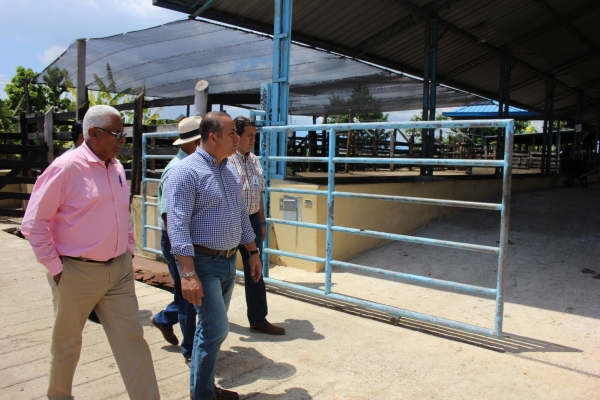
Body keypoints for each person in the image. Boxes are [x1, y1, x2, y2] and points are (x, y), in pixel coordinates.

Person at [21, 105, 160, 400]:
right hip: (76, 271)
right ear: (93, 134)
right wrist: (58, 270)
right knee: (67, 345)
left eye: (125, 134)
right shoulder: (65, 168)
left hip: (119, 270)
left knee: (132, 340)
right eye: (117, 134)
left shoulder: (117, 167)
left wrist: (128, 249)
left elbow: (122, 212)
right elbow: (34, 224)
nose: (123, 140)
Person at [167, 111, 262, 400]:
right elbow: (177, 224)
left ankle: (204, 390)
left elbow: (241, 216)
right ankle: (203, 395)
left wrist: (253, 251)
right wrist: (188, 274)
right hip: (203, 264)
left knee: (208, 332)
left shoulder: (228, 170)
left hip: (228, 261)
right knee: (215, 330)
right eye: (232, 132)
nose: (237, 138)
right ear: (212, 137)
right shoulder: (186, 172)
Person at [150, 116, 201, 366]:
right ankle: (190, 349)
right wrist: (184, 257)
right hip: (178, 242)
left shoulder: (192, 166)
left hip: (186, 241)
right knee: (189, 297)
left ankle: (163, 319)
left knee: (188, 296)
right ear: (197, 142)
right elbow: (170, 217)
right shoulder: (176, 171)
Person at [228, 117, 284, 335]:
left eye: (254, 135)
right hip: (231, 221)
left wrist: (261, 221)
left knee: (256, 271)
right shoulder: (227, 161)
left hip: (251, 220)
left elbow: (258, 192)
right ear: (237, 136)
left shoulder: (254, 160)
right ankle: (203, 318)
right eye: (249, 135)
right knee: (222, 270)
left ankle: (258, 319)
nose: (253, 139)